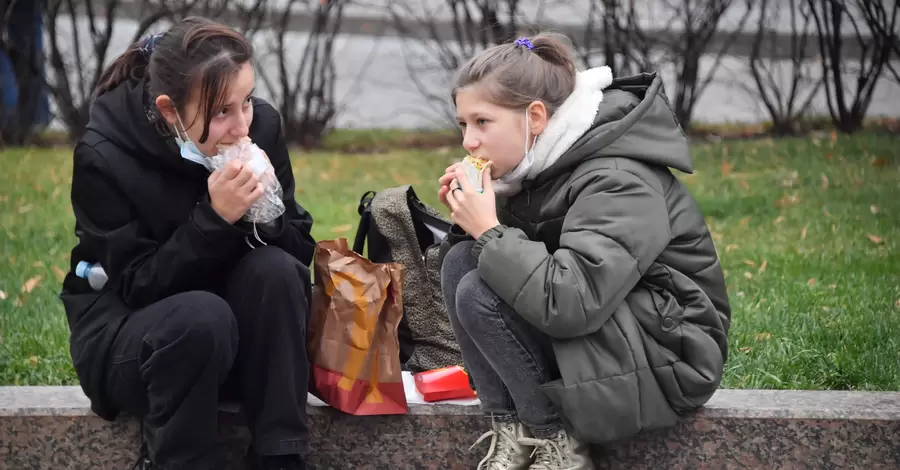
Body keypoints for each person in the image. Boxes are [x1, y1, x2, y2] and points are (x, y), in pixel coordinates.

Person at [438, 34, 731, 470]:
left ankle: (557, 443)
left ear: (535, 117)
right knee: (461, 262)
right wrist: (473, 224)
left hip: (669, 353)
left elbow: (572, 301)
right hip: (613, 329)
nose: (469, 142)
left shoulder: (617, 177)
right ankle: (511, 430)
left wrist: (490, 229)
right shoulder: (536, 166)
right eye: (464, 125)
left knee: (480, 288)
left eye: (483, 122)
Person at [59, 17, 317, 470]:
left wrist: (268, 214)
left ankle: (282, 455)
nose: (241, 127)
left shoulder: (263, 128)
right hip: (133, 342)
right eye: (221, 112)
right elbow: (136, 286)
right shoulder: (105, 154)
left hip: (239, 344)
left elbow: (297, 260)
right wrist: (214, 219)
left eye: (247, 102)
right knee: (201, 317)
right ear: (169, 110)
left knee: (276, 272)